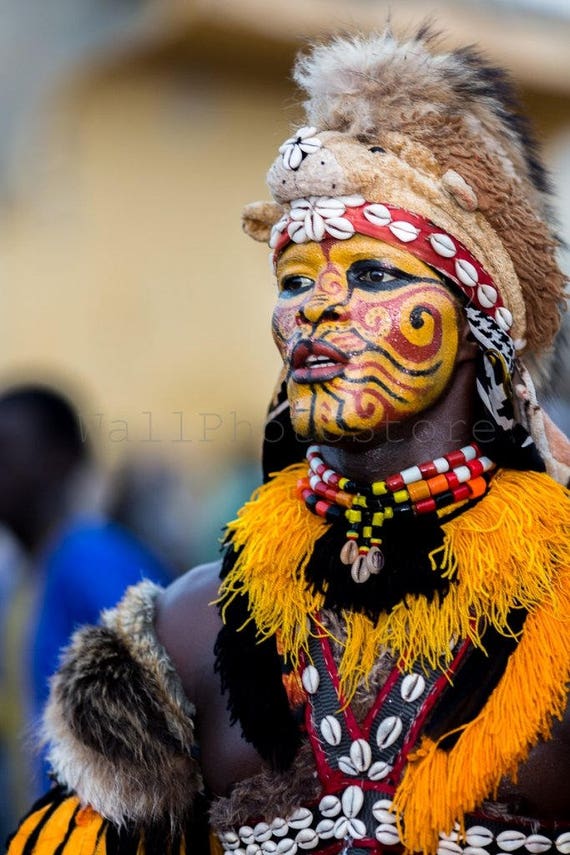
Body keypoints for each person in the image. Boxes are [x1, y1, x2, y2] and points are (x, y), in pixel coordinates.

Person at [6, 27, 570, 855]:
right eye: (295, 278)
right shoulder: (185, 628)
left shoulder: (557, 598)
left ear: (476, 322)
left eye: (373, 274)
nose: (315, 306)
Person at [0, 384, 173, 798]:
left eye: (5, 451)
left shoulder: (92, 557)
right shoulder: (30, 574)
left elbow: (168, 695)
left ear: (61, 458)